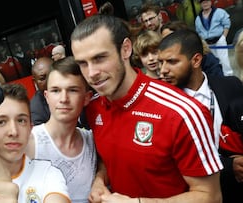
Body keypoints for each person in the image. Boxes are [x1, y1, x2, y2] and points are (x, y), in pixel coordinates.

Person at [70, 14, 222, 202]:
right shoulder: (94, 107)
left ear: (125, 49)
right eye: (83, 64)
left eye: (100, 58)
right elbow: (111, 158)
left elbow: (211, 196)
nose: (91, 73)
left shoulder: (182, 113)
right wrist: (100, 180)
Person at [158, 28, 243, 203]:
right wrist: (228, 167)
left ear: (196, 60)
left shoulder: (231, 86)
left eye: (172, 62)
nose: (163, 70)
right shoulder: (160, 101)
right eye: (161, 62)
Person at [26, 56, 97, 203]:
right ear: (46, 96)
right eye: (56, 90)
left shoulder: (92, 141)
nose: (63, 98)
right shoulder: (29, 142)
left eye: (72, 90)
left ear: (86, 98)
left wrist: (101, 178)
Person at [195, 0, 233, 76]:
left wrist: (223, 37)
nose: (205, 4)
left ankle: (229, 77)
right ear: (200, 4)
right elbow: (198, 32)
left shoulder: (219, 12)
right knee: (214, 61)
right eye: (203, 2)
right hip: (208, 43)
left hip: (219, 40)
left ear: (210, 2)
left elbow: (227, 24)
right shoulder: (198, 18)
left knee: (224, 61)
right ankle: (219, 77)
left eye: (207, 1)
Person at [30, 57, 53, 125]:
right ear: (35, 82)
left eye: (51, 74)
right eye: (42, 78)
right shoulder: (36, 110)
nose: (49, 80)